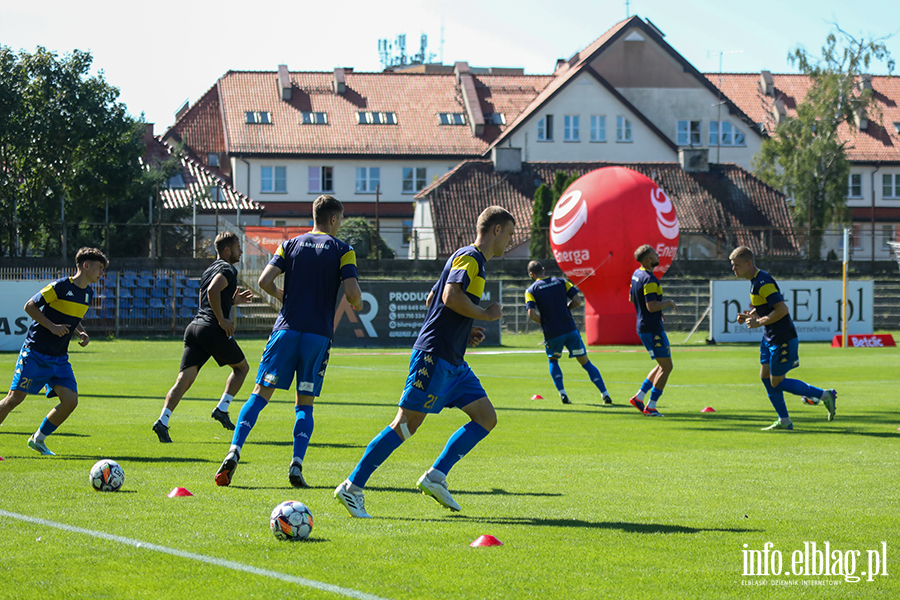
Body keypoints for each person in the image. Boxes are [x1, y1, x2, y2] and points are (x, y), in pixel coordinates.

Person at [334, 206, 515, 518]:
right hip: (435, 355)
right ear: (496, 230)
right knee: (406, 425)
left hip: (454, 360)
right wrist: (485, 313)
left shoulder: (469, 259)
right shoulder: (470, 258)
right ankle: (352, 487)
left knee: (486, 417)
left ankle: (435, 476)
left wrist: (465, 329)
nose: (510, 242)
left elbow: (434, 299)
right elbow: (448, 297)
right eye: (510, 234)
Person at [215, 195, 362, 487]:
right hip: (317, 336)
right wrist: (355, 303)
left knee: (259, 394)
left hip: (286, 330)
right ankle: (296, 464)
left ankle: (234, 450)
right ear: (333, 219)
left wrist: (285, 298)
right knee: (304, 404)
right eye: (341, 220)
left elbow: (264, 281)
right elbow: (353, 292)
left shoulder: (290, 244)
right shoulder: (344, 250)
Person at [0, 247, 108, 456]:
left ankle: (38, 439)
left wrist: (81, 332)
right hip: (35, 353)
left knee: (70, 401)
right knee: (14, 398)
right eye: (99, 268)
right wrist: (51, 327)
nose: (101, 273)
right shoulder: (58, 287)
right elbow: (29, 306)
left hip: (59, 358)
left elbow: (72, 318)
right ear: (86, 265)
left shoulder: (88, 293)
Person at [152, 231, 253, 443]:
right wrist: (222, 320)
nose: (241, 251)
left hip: (195, 328)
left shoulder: (209, 270)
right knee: (242, 368)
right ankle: (222, 409)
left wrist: (233, 301)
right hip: (211, 329)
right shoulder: (227, 268)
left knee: (183, 380)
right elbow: (213, 292)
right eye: (238, 247)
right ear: (227, 250)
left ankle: (163, 420)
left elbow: (208, 295)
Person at [729, 246, 836, 430]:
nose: (734, 269)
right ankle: (784, 421)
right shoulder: (756, 281)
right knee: (765, 376)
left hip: (782, 337)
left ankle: (825, 395)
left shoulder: (763, 282)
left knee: (776, 381)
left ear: (748, 263)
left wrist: (759, 322)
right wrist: (749, 316)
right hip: (769, 337)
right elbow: (765, 305)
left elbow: (782, 309)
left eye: (737, 265)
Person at [524, 261, 611, 405]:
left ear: (531, 274)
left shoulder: (531, 290)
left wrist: (546, 322)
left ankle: (563, 394)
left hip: (552, 332)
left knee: (553, 360)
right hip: (569, 328)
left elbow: (531, 314)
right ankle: (605, 394)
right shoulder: (561, 281)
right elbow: (577, 301)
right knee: (586, 363)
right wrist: (565, 310)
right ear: (543, 269)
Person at [628, 245, 677, 417]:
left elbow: (632, 298)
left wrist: (658, 310)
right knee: (667, 366)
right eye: (655, 254)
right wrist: (667, 303)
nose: (658, 256)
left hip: (643, 325)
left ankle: (639, 398)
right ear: (649, 260)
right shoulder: (650, 279)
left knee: (661, 364)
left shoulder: (636, 274)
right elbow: (651, 305)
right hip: (652, 328)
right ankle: (651, 406)